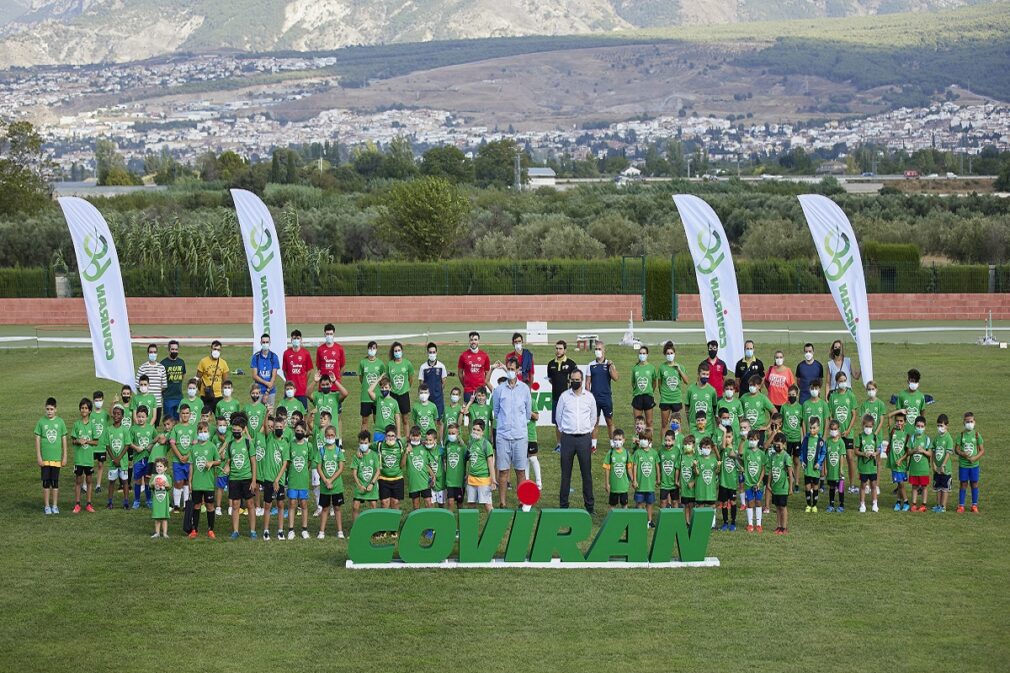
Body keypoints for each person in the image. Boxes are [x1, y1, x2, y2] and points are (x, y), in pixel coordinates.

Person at [555, 368, 597, 513]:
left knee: (587, 474)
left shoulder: (589, 397)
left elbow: (593, 418)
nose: (574, 382)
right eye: (572, 380)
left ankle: (589, 506)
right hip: (567, 438)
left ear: (582, 380)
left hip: (584, 438)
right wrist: (565, 430)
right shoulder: (564, 397)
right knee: (565, 474)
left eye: (577, 380)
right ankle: (563, 505)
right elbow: (558, 417)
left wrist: (587, 430)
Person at [491, 358, 532, 509]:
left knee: (520, 471)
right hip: (503, 436)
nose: (510, 371)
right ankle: (502, 502)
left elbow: (528, 413)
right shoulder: (499, 390)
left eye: (512, 368)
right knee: (503, 471)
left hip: (520, 436)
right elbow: (496, 412)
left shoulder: (524, 389)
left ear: (518, 370)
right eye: (508, 368)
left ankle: (523, 501)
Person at [223, 413, 258, 539]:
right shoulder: (230, 444)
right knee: (236, 505)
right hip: (234, 479)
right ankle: (235, 531)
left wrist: (253, 481)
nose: (236, 432)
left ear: (243, 430)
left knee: (250, 504)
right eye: (234, 430)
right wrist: (227, 467)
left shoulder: (248, 443)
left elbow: (254, 462)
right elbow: (228, 461)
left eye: (238, 430)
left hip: (247, 478)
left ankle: (253, 531)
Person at [187, 422, 219, 539]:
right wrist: (190, 481)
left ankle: (210, 530)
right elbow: (191, 466)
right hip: (197, 483)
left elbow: (218, 461)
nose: (203, 434)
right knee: (196, 505)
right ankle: (194, 529)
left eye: (205, 432)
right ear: (197, 433)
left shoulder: (212, 446)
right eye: (201, 432)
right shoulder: (193, 448)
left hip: (208, 483)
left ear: (209, 433)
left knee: (210, 505)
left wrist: (212, 463)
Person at [258, 416, 288, 540]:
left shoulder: (285, 444)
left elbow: (285, 463)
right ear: (273, 429)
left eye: (280, 427)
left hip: (279, 480)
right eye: (276, 427)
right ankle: (266, 531)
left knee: (280, 504)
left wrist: (277, 480)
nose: (279, 429)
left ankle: (280, 531)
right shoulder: (270, 438)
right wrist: (267, 413)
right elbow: (265, 426)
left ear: (284, 428)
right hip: (268, 479)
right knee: (267, 505)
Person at [546, 340, 579, 452]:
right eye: (556, 348)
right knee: (557, 422)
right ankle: (559, 444)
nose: (558, 350)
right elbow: (551, 380)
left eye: (560, 348)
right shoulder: (550, 364)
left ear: (565, 350)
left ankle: (570, 443)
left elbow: (576, 380)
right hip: (556, 398)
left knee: (569, 420)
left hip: (569, 398)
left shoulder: (571, 364)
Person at [828, 371, 858, 489]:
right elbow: (830, 415)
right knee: (835, 458)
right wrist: (835, 429)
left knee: (850, 458)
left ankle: (851, 485)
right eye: (841, 381)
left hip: (848, 433)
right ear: (837, 382)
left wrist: (848, 430)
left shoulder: (850, 395)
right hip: (836, 434)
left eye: (844, 380)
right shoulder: (833, 396)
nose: (843, 383)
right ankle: (835, 484)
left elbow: (854, 414)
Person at [586, 341, 618, 450]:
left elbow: (616, 378)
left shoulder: (609, 363)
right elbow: (587, 383)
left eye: (599, 349)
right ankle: (593, 445)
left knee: (609, 421)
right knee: (595, 422)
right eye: (596, 349)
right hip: (594, 399)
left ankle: (613, 444)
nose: (597, 351)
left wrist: (611, 367)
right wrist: (589, 397)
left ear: (604, 350)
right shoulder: (590, 365)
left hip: (606, 398)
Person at [317, 424, 345, 539]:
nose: (330, 437)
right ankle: (321, 531)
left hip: (336, 485)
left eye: (332, 435)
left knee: (337, 508)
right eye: (328, 435)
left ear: (335, 436)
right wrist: (325, 480)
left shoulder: (338, 451)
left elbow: (341, 468)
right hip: (324, 486)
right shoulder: (321, 450)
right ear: (325, 436)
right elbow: (319, 467)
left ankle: (340, 531)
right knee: (325, 508)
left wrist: (331, 480)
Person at [71, 398, 97, 514]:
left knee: (89, 480)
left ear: (90, 410)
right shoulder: (76, 424)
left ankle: (89, 504)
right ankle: (77, 504)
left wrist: (86, 441)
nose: (84, 410)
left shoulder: (92, 425)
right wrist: (78, 441)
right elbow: (73, 440)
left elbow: (96, 442)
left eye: (86, 408)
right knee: (78, 481)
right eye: (82, 408)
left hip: (88, 459)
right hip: (79, 458)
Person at [169, 404, 197, 511]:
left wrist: (187, 456)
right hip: (177, 460)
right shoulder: (176, 428)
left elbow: (194, 445)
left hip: (189, 460)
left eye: (187, 413)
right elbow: (172, 443)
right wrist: (180, 456)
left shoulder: (193, 428)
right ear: (180, 414)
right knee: (178, 481)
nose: (185, 415)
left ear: (190, 415)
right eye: (183, 413)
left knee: (186, 481)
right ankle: (176, 504)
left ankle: (185, 504)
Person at [103, 404, 132, 510]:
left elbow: (127, 444)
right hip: (112, 462)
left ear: (122, 416)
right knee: (112, 482)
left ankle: (126, 502)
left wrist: (119, 458)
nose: (116, 416)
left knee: (125, 482)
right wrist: (113, 459)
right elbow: (107, 445)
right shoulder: (108, 429)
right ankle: (110, 502)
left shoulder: (125, 430)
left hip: (123, 461)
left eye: (118, 414)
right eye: (114, 413)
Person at [954, 411, 983, 514]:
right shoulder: (961, 435)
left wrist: (975, 458)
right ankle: (961, 505)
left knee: (974, 484)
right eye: (967, 422)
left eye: (971, 421)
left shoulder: (976, 435)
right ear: (964, 422)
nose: (969, 423)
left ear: (974, 422)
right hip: (963, 465)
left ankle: (974, 505)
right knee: (963, 484)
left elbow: (982, 450)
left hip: (974, 465)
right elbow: (956, 450)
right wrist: (962, 454)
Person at [657, 341, 689, 432]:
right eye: (667, 353)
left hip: (676, 399)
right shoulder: (662, 368)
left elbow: (686, 381)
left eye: (671, 353)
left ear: (674, 354)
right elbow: (659, 384)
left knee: (676, 424)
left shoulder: (680, 367)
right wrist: (663, 394)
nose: (670, 355)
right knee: (664, 424)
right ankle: (663, 444)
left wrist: (679, 370)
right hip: (665, 400)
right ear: (665, 355)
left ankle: (678, 444)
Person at [465, 419, 496, 514]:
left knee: (487, 505)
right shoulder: (470, 443)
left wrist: (493, 479)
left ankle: (495, 526)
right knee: (471, 504)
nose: (475, 431)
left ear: (483, 432)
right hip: (471, 479)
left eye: (478, 430)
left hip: (483, 480)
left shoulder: (486, 444)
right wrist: (467, 474)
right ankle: (471, 527)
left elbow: (491, 462)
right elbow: (470, 460)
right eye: (474, 429)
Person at [130, 406, 158, 509]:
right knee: (137, 480)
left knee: (147, 480)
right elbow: (129, 442)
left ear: (147, 417)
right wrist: (136, 448)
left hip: (148, 459)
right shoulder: (133, 429)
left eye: (143, 417)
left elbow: (157, 438)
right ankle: (136, 500)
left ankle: (148, 500)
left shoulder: (151, 428)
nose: (140, 419)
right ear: (136, 416)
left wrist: (152, 445)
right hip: (137, 459)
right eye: (139, 417)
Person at [418, 342, 449, 434]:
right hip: (427, 399)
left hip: (438, 399)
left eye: (433, 352)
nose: (432, 354)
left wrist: (437, 391)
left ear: (437, 352)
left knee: (439, 421)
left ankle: (440, 442)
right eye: (430, 352)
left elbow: (444, 382)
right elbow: (421, 384)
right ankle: (429, 438)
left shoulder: (441, 366)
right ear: (427, 353)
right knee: (428, 420)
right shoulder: (423, 367)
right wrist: (425, 395)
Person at [351, 431, 381, 524]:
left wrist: (372, 484)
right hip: (360, 486)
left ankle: (373, 527)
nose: (363, 445)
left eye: (365, 443)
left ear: (369, 443)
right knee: (355, 506)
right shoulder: (356, 457)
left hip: (371, 486)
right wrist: (359, 485)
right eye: (361, 443)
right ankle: (356, 527)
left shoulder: (374, 455)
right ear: (358, 443)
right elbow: (354, 473)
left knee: (373, 505)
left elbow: (378, 471)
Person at [386, 341, 415, 437]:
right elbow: (388, 379)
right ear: (393, 352)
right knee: (393, 418)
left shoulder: (407, 363)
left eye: (399, 350)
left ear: (402, 351)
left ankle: (407, 439)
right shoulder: (390, 364)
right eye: (395, 351)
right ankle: (394, 437)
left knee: (405, 419)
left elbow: (410, 378)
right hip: (393, 394)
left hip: (404, 394)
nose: (397, 352)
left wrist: (406, 388)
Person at [357, 341, 386, 433]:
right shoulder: (362, 363)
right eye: (370, 348)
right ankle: (364, 442)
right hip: (365, 397)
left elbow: (383, 379)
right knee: (364, 420)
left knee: (377, 420)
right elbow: (361, 378)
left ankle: (378, 440)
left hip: (377, 396)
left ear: (376, 350)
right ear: (367, 349)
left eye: (373, 348)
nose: (371, 350)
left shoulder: (380, 363)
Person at [631, 432, 659, 527]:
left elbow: (657, 466)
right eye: (641, 438)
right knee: (639, 503)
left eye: (645, 439)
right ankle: (640, 520)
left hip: (650, 485)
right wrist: (634, 480)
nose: (643, 441)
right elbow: (634, 466)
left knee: (649, 503)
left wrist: (658, 478)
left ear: (650, 441)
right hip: (640, 484)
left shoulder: (654, 453)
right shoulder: (637, 453)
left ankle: (649, 521)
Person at [136, 343, 168, 427]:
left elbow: (164, 386)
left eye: (154, 352)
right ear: (148, 353)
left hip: (157, 403)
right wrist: (145, 395)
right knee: (143, 426)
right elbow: (137, 385)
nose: (153, 354)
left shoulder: (161, 368)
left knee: (155, 427)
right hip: (145, 404)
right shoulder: (142, 367)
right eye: (151, 352)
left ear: (157, 353)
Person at [885, 412, 911, 512]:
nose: (899, 423)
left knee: (900, 484)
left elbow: (908, 452)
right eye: (897, 421)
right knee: (899, 484)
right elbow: (888, 416)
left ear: (905, 422)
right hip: (894, 464)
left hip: (901, 464)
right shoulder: (892, 431)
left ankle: (906, 502)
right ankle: (898, 501)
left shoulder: (906, 435)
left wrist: (900, 460)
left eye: (901, 421)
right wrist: (900, 410)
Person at [767, 433, 793, 534]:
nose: (776, 446)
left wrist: (790, 488)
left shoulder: (786, 457)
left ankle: (784, 527)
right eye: (775, 444)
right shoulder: (772, 456)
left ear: (784, 444)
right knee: (777, 507)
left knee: (783, 507)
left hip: (783, 487)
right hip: (775, 487)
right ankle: (778, 526)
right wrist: (769, 484)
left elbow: (790, 474)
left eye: (778, 444)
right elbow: (770, 471)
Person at [780, 384, 803, 493]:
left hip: (797, 438)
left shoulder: (800, 407)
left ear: (797, 395)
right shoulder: (784, 407)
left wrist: (802, 438)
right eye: (789, 395)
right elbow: (781, 422)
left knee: (796, 461)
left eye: (793, 395)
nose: (791, 396)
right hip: (787, 439)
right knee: (786, 461)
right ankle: (788, 480)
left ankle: (797, 482)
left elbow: (802, 424)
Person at [854, 414, 880, 513]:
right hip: (863, 467)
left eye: (870, 427)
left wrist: (875, 453)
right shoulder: (860, 437)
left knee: (873, 485)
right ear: (863, 425)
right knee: (863, 486)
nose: (868, 428)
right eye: (866, 426)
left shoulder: (874, 437)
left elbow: (878, 450)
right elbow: (856, 451)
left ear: (873, 426)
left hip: (872, 467)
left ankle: (874, 503)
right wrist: (863, 454)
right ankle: (862, 504)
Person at [800, 417, 826, 513]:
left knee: (815, 487)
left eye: (814, 428)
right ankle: (808, 505)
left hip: (815, 469)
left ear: (819, 428)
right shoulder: (806, 439)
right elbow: (802, 451)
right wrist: (802, 460)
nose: (812, 430)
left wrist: (819, 463)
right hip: (807, 468)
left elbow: (823, 453)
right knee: (807, 487)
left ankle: (814, 505)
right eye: (810, 428)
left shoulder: (820, 440)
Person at [742, 431, 766, 532]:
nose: (752, 441)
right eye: (750, 439)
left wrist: (759, 482)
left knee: (758, 502)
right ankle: (750, 524)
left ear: (758, 440)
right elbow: (739, 454)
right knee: (750, 503)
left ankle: (759, 524)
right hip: (748, 483)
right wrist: (743, 440)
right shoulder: (746, 451)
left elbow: (763, 469)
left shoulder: (761, 453)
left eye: (754, 439)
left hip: (758, 484)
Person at [630, 345, 658, 432]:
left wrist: (649, 391)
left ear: (647, 355)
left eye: (644, 353)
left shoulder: (651, 368)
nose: (642, 355)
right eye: (641, 353)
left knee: (649, 422)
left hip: (648, 397)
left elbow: (654, 383)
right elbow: (633, 382)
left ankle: (649, 442)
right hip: (638, 397)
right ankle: (637, 443)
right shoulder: (635, 368)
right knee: (638, 422)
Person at [377, 425, 405, 512]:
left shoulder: (400, 444)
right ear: (385, 436)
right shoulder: (379, 445)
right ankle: (384, 524)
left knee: (395, 502)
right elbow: (367, 446)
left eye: (393, 436)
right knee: (384, 502)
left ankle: (394, 524)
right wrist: (360, 450)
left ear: (396, 436)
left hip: (398, 478)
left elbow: (413, 439)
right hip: (383, 478)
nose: (390, 438)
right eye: (388, 435)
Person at [907, 415, 932, 512]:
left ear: (925, 427)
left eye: (922, 426)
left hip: (924, 468)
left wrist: (923, 451)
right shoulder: (912, 438)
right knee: (914, 486)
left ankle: (923, 505)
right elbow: (908, 452)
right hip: (914, 468)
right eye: (918, 426)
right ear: (915, 426)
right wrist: (914, 450)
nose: (920, 428)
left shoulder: (927, 439)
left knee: (924, 486)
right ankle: (913, 504)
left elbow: (930, 453)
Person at [283, 330, 313, 409]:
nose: (296, 340)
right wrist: (289, 380)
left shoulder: (306, 353)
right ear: (291, 340)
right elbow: (285, 370)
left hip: (301, 390)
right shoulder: (286, 353)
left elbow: (309, 370)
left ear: (301, 339)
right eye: (294, 338)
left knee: (303, 413)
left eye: (298, 338)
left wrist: (303, 380)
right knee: (287, 412)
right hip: (289, 389)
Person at [404, 426, 432, 512]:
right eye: (413, 436)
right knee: (416, 505)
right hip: (414, 482)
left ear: (420, 436)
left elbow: (426, 464)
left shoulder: (425, 447)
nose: (415, 438)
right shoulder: (406, 447)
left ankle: (431, 523)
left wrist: (432, 474)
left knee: (428, 503)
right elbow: (402, 465)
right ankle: (417, 523)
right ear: (410, 436)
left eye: (417, 436)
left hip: (424, 482)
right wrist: (406, 452)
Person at [458, 331, 491, 403]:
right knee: (468, 412)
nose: (473, 342)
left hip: (481, 390)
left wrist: (484, 384)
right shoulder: (463, 355)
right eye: (471, 340)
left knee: (481, 412)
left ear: (478, 341)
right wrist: (465, 385)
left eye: (475, 340)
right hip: (468, 391)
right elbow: (460, 373)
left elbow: (487, 372)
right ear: (469, 341)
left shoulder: (484, 355)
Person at [196, 341, 229, 413]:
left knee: (220, 418)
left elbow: (225, 381)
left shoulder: (223, 363)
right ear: (211, 349)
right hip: (205, 395)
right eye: (214, 349)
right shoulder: (203, 361)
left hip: (218, 395)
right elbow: (197, 379)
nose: (216, 351)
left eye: (218, 350)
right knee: (204, 417)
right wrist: (201, 390)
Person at [717, 430, 741, 531]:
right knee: (724, 503)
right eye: (726, 437)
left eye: (729, 437)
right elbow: (722, 447)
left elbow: (741, 462)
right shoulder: (723, 450)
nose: (727, 439)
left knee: (733, 502)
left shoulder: (735, 449)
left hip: (732, 482)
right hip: (723, 482)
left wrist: (735, 456)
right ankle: (725, 522)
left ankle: (733, 522)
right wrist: (724, 432)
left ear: (733, 438)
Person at [741, 375, 776, 442]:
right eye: (750, 385)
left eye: (754, 385)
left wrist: (767, 426)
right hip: (747, 430)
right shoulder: (744, 397)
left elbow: (774, 411)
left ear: (759, 386)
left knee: (759, 451)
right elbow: (739, 412)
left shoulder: (763, 398)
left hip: (759, 431)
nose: (751, 387)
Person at [602, 429, 631, 510]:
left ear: (624, 440)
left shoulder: (626, 453)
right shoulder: (610, 453)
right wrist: (607, 483)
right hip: (613, 486)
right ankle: (612, 521)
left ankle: (625, 521)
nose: (617, 441)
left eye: (619, 439)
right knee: (612, 506)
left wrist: (633, 480)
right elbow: (607, 469)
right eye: (615, 439)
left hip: (623, 486)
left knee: (624, 505)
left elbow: (629, 468)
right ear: (612, 440)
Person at [251, 333, 281, 408]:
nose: (265, 344)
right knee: (258, 412)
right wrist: (266, 383)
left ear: (270, 343)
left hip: (271, 391)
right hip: (258, 391)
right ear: (261, 343)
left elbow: (273, 377)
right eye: (263, 342)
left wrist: (267, 392)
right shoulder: (256, 357)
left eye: (267, 342)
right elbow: (254, 376)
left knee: (270, 414)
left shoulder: (274, 357)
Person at [931, 414, 953, 513]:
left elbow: (948, 453)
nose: (940, 427)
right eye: (938, 425)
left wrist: (943, 465)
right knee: (938, 487)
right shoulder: (936, 437)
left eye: (942, 425)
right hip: (937, 468)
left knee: (945, 488)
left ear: (947, 425)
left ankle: (943, 506)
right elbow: (933, 451)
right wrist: (934, 464)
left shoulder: (948, 438)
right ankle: (938, 505)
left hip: (945, 468)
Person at [368, 377, 400, 443]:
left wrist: (398, 433)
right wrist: (378, 380)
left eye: (386, 387)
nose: (384, 389)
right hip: (378, 431)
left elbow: (397, 418)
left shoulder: (394, 402)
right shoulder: (378, 398)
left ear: (390, 388)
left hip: (390, 433)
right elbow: (369, 391)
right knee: (378, 451)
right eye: (382, 388)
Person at [443, 422, 467, 512]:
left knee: (460, 503)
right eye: (449, 433)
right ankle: (450, 523)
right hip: (450, 480)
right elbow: (444, 458)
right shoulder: (447, 445)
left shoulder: (462, 447)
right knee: (450, 502)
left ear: (458, 434)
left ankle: (461, 523)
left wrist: (461, 441)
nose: (451, 435)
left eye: (453, 433)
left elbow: (468, 457)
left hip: (459, 481)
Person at [824, 419, 846, 512]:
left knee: (840, 488)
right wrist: (825, 468)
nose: (833, 431)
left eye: (835, 429)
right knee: (832, 487)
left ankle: (841, 505)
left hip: (838, 471)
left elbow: (841, 456)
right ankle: (831, 504)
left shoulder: (841, 442)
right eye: (832, 429)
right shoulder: (827, 441)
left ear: (838, 429)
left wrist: (841, 469)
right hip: (830, 471)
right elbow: (825, 456)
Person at [161, 340, 186, 421]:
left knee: (179, 421)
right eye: (172, 349)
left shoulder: (181, 362)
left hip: (179, 397)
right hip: (168, 397)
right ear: (169, 350)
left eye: (176, 349)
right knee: (168, 421)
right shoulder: (163, 363)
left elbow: (183, 375)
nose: (174, 351)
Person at [659, 429, 681, 510]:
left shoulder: (677, 451)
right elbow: (658, 465)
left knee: (675, 502)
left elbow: (678, 467)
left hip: (674, 484)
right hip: (664, 483)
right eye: (666, 440)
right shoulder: (661, 451)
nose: (667, 443)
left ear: (674, 441)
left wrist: (677, 480)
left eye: (669, 440)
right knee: (663, 502)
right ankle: (663, 519)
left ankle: (675, 519)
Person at [149, 458, 171, 539]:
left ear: (165, 468)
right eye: (157, 466)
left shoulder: (167, 477)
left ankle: (165, 533)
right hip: (156, 499)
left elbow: (169, 487)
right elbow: (150, 486)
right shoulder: (154, 476)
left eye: (161, 466)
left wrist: (166, 484)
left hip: (164, 500)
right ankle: (157, 533)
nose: (158, 468)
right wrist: (153, 484)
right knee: (157, 517)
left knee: (164, 517)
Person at [424, 428, 445, 509]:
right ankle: (431, 520)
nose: (428, 442)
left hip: (441, 482)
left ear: (435, 440)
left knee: (441, 505)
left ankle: (441, 520)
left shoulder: (440, 450)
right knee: (430, 505)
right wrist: (432, 476)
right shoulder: (424, 450)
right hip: (429, 482)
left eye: (430, 440)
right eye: (426, 440)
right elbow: (426, 464)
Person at [678, 436, 697, 521]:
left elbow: (698, 474)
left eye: (689, 444)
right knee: (686, 505)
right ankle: (687, 521)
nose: (687, 446)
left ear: (693, 445)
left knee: (692, 505)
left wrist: (694, 482)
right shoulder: (682, 457)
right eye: (685, 444)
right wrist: (677, 481)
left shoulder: (696, 458)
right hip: (684, 488)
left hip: (692, 488)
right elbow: (678, 469)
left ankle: (692, 521)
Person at [527, 411, 542, 489]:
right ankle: (526, 482)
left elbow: (536, 417)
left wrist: (528, 410)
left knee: (533, 458)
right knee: (524, 460)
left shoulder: (532, 402)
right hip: (520, 436)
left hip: (531, 436)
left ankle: (538, 482)